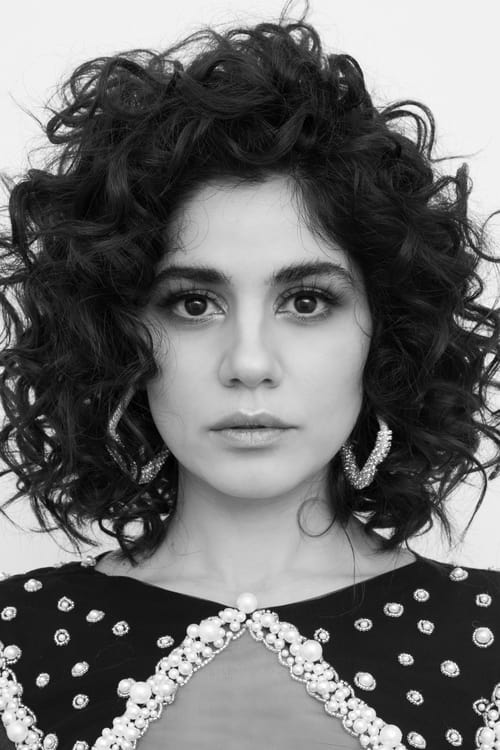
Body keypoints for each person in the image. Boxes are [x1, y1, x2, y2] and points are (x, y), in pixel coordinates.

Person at [0, 2, 499, 749]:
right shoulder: (13, 647)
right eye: (193, 304)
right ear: (116, 335)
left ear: (388, 334)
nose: (250, 363)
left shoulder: (489, 644)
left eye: (307, 301)